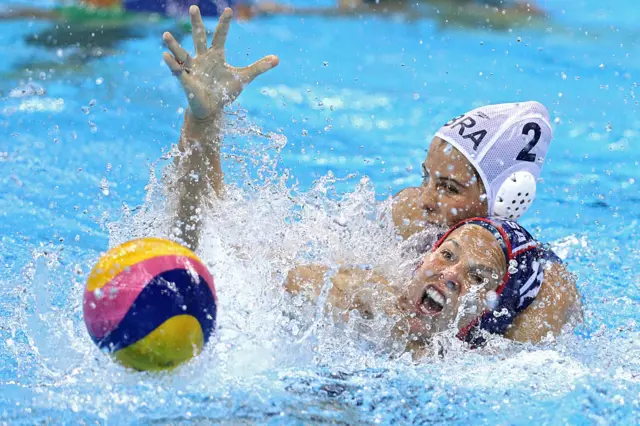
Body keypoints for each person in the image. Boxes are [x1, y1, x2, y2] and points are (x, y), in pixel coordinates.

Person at [161, 7, 581, 348]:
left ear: (505, 200)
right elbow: (227, 239)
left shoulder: (546, 290)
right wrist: (203, 121)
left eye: (449, 187)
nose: (427, 198)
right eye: (426, 178)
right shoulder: (410, 216)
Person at [285, 216, 582, 353]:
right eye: (447, 255)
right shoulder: (367, 292)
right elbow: (285, 277)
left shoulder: (484, 366)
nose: (451, 275)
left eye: (477, 278)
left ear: (490, 310)